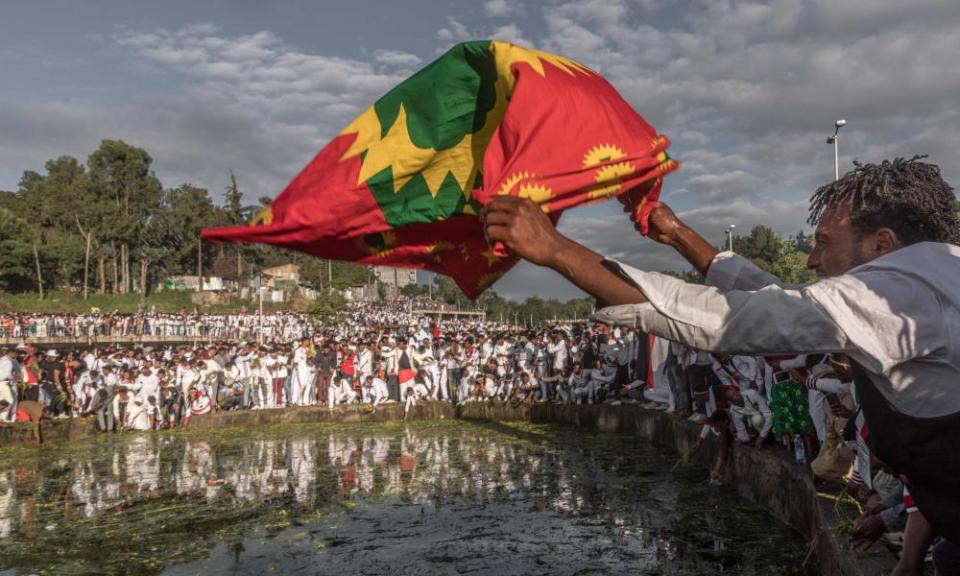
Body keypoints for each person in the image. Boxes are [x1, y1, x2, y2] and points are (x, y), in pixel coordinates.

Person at [482, 156, 960, 572]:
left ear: (881, 244)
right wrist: (677, 235)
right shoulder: (932, 276)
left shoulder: (897, 292)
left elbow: (721, 320)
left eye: (823, 241)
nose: (812, 259)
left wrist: (556, 250)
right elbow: (782, 300)